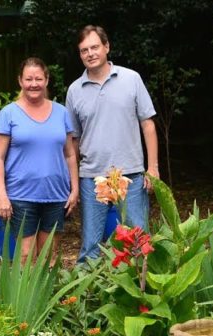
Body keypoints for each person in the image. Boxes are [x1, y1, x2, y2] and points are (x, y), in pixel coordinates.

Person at [66, 25, 159, 265]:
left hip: (131, 174)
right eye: (84, 50)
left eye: (94, 47)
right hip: (92, 177)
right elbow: (73, 141)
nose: (90, 53)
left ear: (106, 47)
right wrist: (74, 183)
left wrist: (153, 168)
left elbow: (148, 125)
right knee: (90, 246)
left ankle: (141, 286)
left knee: (139, 241)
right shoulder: (74, 90)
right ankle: (86, 288)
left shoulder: (131, 79)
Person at [0, 57, 80, 263]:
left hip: (56, 195)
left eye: (38, 79)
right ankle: (27, 287)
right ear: (20, 81)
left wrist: (74, 189)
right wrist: (1, 195)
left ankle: (48, 286)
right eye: (28, 79)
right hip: (21, 196)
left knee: (49, 256)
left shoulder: (61, 112)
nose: (34, 84)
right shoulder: (8, 113)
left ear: (46, 80)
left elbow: (70, 154)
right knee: (25, 256)